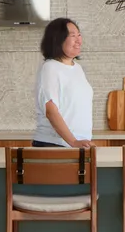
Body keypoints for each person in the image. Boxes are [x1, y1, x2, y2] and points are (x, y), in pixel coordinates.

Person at [32, 18, 93, 149]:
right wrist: (73, 142)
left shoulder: (77, 68)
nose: (78, 40)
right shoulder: (50, 68)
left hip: (77, 145)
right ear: (58, 40)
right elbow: (51, 111)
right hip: (54, 144)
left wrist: (77, 142)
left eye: (79, 35)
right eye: (72, 36)